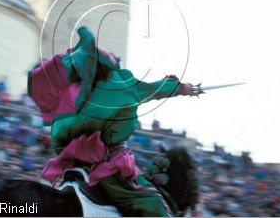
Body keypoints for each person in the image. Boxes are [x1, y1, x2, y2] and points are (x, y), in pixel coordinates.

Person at [28, 26, 200, 217]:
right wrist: (183, 88)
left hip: (75, 161)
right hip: (106, 166)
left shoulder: (80, 92)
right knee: (153, 204)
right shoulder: (123, 85)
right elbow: (156, 89)